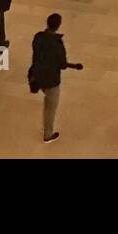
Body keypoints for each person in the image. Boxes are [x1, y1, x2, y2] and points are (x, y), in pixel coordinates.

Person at [29, 12, 83, 143]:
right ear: (58, 26)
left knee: (47, 98)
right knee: (50, 108)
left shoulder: (38, 37)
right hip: (52, 79)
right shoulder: (57, 43)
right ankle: (48, 134)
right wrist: (75, 66)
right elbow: (62, 64)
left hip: (38, 75)